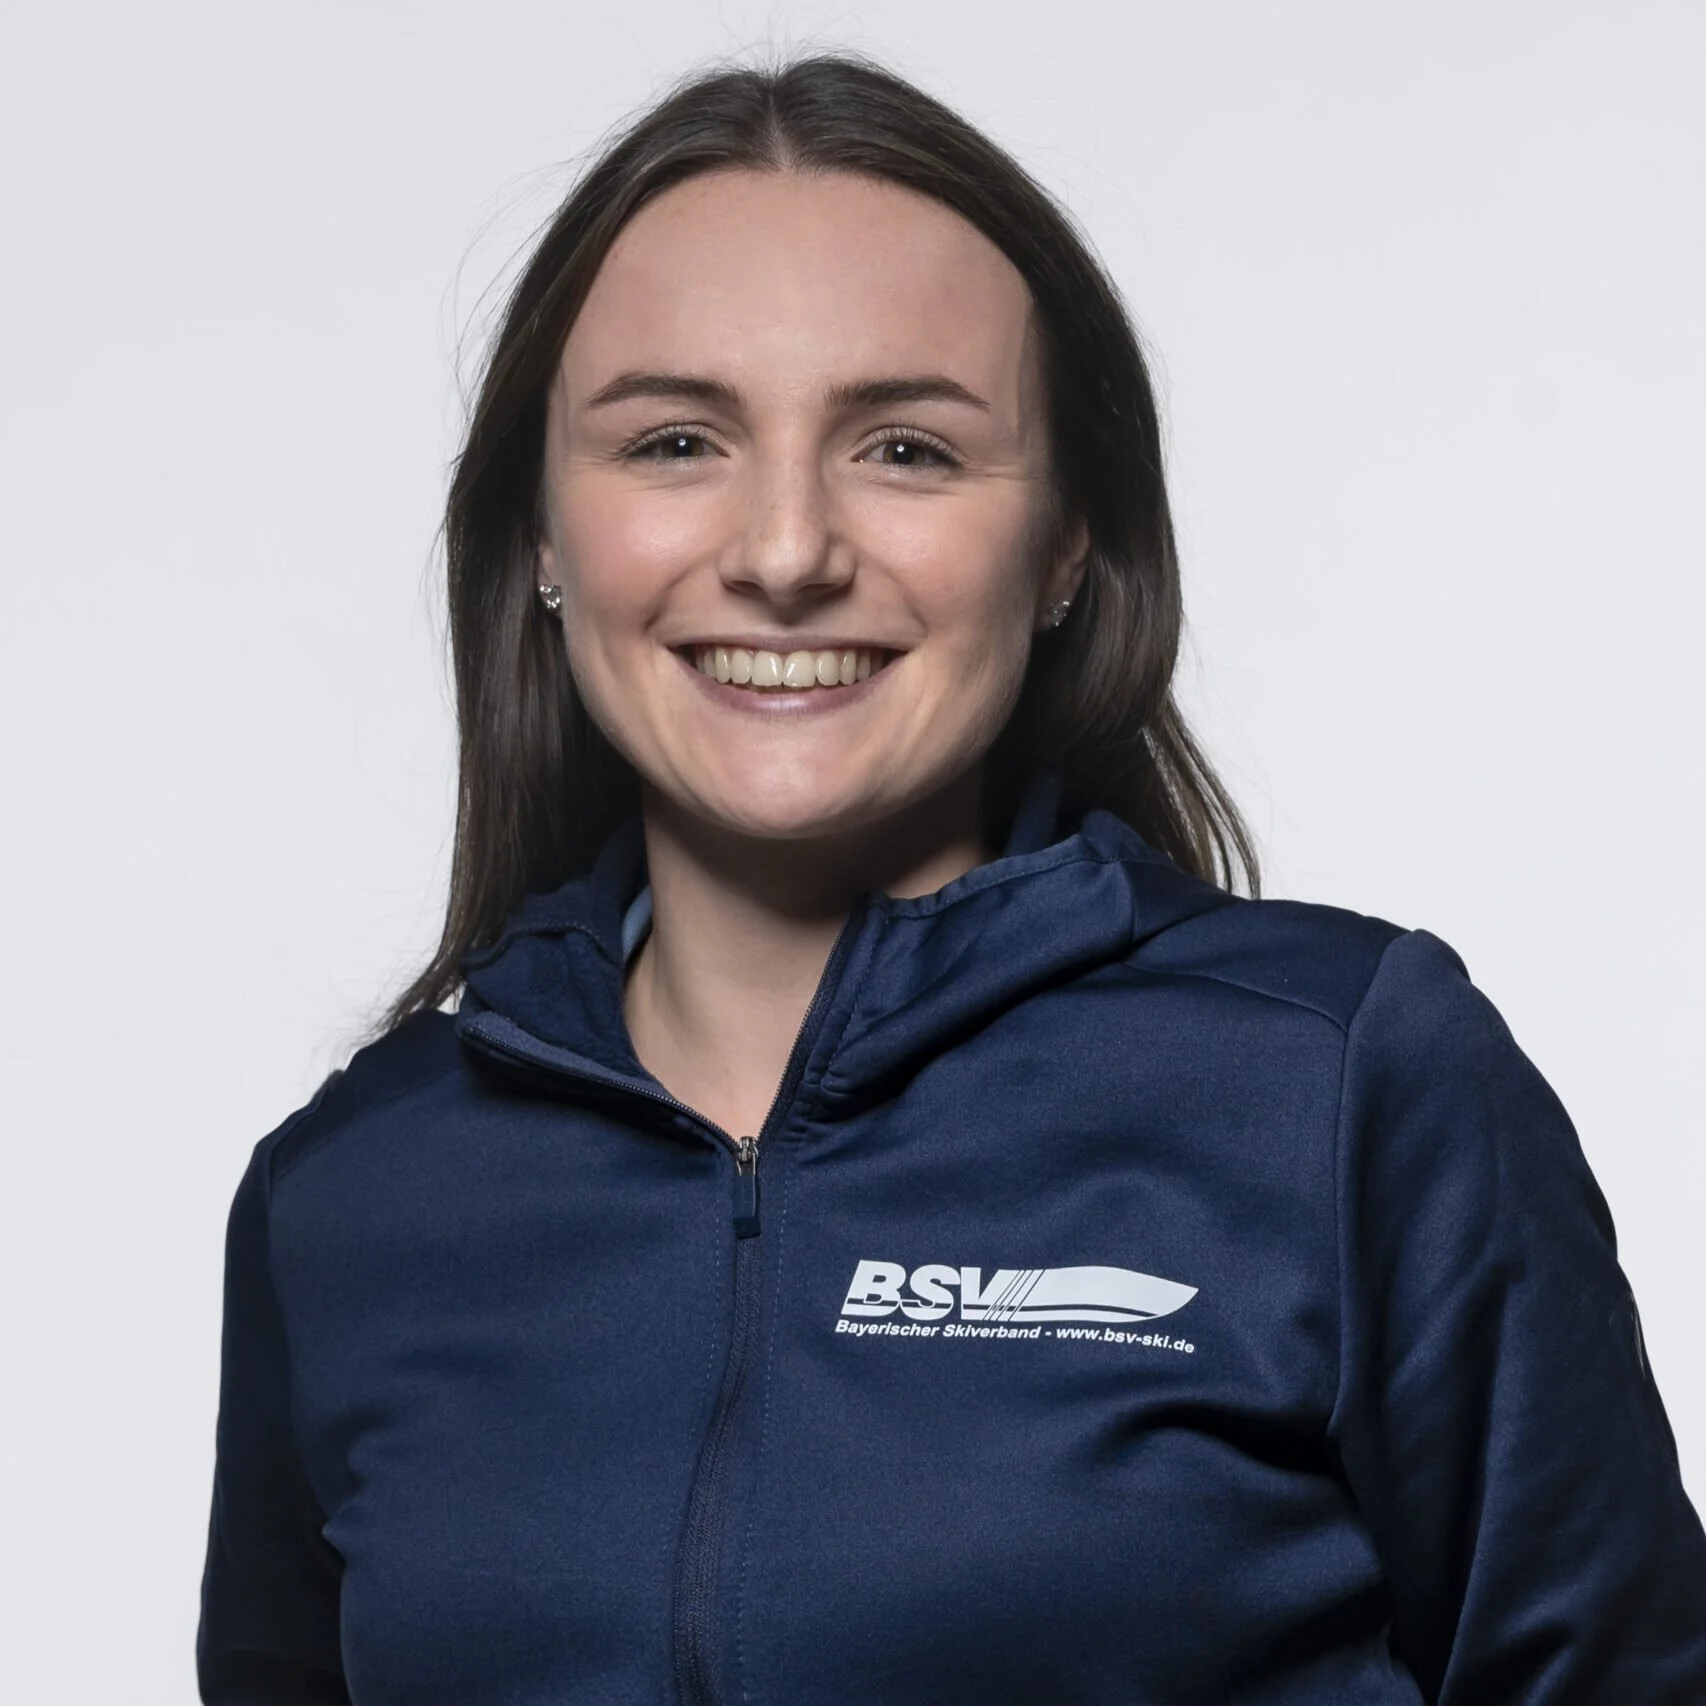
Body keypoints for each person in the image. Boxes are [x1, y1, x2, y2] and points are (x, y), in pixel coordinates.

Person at [195, 53, 1706, 1706]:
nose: (782, 552)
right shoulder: (355, 1192)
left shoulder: (1338, 1084)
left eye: (906, 448)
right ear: (543, 536)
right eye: (677, 438)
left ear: (1066, 543)